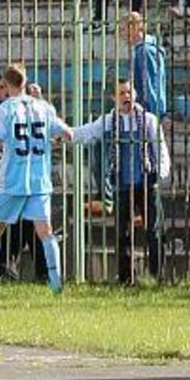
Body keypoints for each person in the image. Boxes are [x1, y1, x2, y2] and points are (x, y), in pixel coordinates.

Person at [0, 63, 73, 294]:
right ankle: (57, 284)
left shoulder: (4, 110)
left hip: (11, 180)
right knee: (46, 232)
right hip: (38, 181)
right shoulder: (44, 108)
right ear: (25, 82)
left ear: (7, 86)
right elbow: (66, 133)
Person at [73, 79, 165, 285]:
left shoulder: (148, 120)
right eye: (122, 93)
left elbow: (160, 149)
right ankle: (126, 277)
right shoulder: (109, 121)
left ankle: (157, 274)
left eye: (129, 92)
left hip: (146, 180)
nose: (126, 97)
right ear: (113, 98)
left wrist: (160, 175)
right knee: (122, 232)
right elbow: (87, 133)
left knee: (154, 229)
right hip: (122, 182)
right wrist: (66, 133)